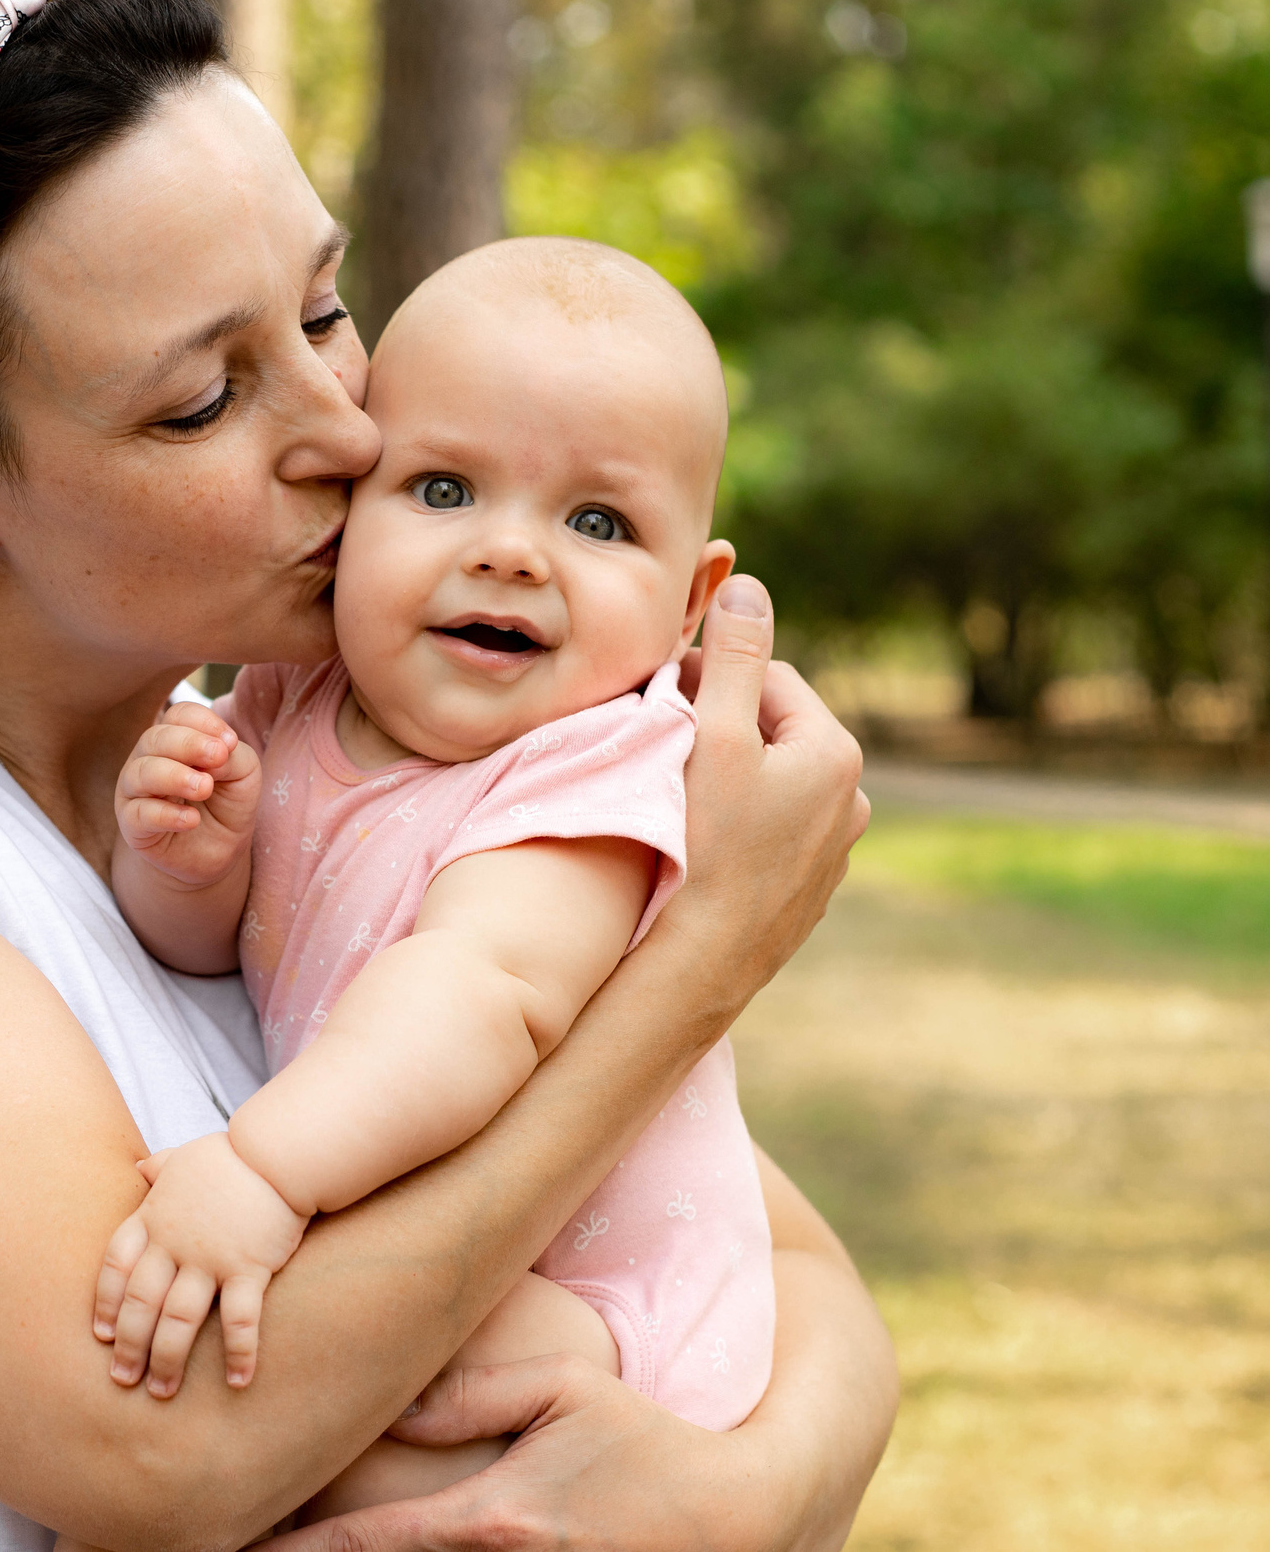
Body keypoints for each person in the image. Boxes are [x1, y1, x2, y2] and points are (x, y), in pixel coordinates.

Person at [0, 0, 891, 1552]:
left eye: (326, 307)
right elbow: (162, 1447)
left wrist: (729, 1496)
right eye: (205, 401)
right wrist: (705, 951)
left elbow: (793, 1281)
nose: (348, 426)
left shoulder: (299, 771)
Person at [89, 237, 772, 1526]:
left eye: (596, 522)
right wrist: (184, 859)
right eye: (445, 488)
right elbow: (198, 958)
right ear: (352, 513)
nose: (512, 554)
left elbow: (480, 993)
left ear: (692, 605)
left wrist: (264, 1175)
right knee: (277, 1426)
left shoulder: (602, 768)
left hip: (589, 1300)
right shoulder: (291, 697)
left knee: (296, 1444)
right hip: (436, 1239)